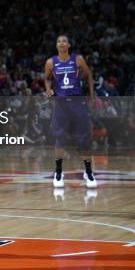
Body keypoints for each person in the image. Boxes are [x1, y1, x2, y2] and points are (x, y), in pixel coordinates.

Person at [44, 35, 97, 189]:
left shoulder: (78, 59)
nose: (61, 43)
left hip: (77, 104)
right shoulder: (50, 62)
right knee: (60, 139)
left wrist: (92, 96)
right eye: (59, 41)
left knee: (84, 139)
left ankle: (88, 172)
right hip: (60, 105)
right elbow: (47, 79)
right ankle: (58, 172)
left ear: (69, 44)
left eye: (64, 41)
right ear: (56, 45)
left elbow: (89, 77)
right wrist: (48, 88)